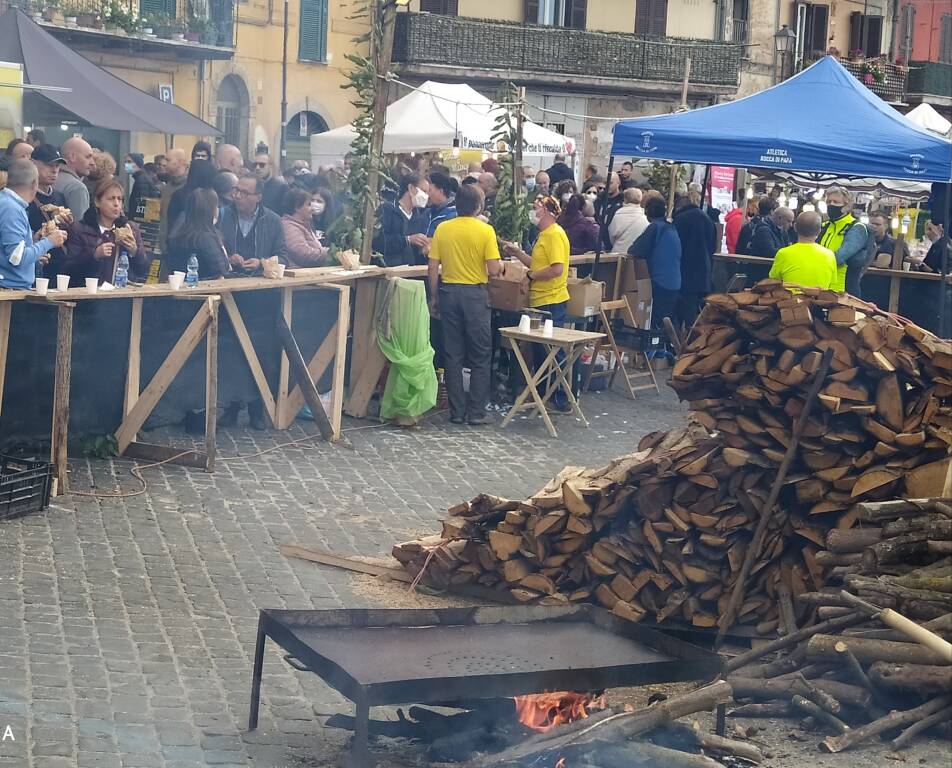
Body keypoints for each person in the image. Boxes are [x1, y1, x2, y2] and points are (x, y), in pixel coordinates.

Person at [427, 184, 502, 425]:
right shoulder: (485, 231)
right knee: (480, 353)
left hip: (448, 291)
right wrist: (501, 267)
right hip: (474, 295)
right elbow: (493, 268)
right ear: (478, 206)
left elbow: (432, 267)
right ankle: (477, 411)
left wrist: (434, 296)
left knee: (453, 353)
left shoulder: (443, 229)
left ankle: (456, 411)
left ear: (456, 205)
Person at [502, 195, 572, 412]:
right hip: (540, 299)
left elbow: (556, 269)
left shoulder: (554, 235)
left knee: (551, 352)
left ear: (548, 212)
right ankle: (544, 395)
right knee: (541, 353)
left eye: (536, 208)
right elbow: (538, 264)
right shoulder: (544, 235)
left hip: (551, 300)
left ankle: (560, 399)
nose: (533, 212)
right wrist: (518, 254)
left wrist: (531, 277)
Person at [0, 160, 67, 289]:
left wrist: (35, 244)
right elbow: (16, 258)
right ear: (34, 184)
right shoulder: (11, 209)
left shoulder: (7, 203)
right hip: (8, 291)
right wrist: (49, 242)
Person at [65, 178, 147, 283]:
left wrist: (135, 252)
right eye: (111, 199)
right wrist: (94, 255)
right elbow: (69, 270)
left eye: (120, 199)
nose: (116, 204)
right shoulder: (79, 229)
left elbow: (142, 271)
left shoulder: (130, 229)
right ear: (97, 202)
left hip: (121, 294)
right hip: (90, 295)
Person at [628, 193, 682, 332]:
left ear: (647, 212)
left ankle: (651, 352)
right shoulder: (672, 228)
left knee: (653, 323)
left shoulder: (655, 228)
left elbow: (636, 250)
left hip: (660, 282)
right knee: (665, 321)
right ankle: (662, 350)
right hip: (675, 283)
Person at [218, 175, 287, 275]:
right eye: (236, 190)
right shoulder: (222, 216)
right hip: (228, 281)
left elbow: (283, 258)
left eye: (244, 193)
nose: (237, 196)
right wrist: (228, 258)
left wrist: (262, 263)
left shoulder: (273, 221)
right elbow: (212, 252)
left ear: (258, 197)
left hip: (260, 284)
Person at [672, 191, 717, 329]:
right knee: (694, 315)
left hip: (684, 273)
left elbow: (675, 246)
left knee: (682, 314)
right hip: (704, 272)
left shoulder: (681, 219)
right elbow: (713, 247)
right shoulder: (707, 219)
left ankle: (682, 343)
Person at [818, 186, 873, 295]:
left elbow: (839, 257)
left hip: (844, 291)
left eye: (836, 202)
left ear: (847, 206)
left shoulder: (857, 227)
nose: (831, 205)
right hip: (820, 287)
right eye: (828, 202)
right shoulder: (824, 226)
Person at [165, 188, 230, 278]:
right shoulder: (206, 238)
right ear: (211, 210)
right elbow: (219, 270)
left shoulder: (177, 234)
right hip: (208, 288)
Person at [28, 144, 70, 277]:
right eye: (48, 165)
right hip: (33, 263)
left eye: (57, 166)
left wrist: (67, 224)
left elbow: (67, 234)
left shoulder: (59, 196)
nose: (54, 170)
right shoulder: (25, 196)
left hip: (58, 265)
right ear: (32, 164)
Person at [372, 173, 429, 267]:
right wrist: (407, 240)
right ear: (410, 188)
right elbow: (378, 241)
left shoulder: (420, 217)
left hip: (412, 274)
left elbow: (417, 254)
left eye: (428, 193)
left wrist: (424, 250)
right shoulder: (387, 210)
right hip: (388, 270)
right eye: (423, 191)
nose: (426, 196)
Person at [769, 212, 837, 290]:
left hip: (790, 301)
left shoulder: (783, 253)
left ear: (795, 227)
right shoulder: (829, 255)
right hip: (819, 301)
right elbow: (832, 284)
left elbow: (774, 280)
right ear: (819, 231)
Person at [166, 159, 217, 241]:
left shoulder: (179, 194)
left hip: (178, 243)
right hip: (197, 242)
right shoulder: (209, 197)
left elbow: (171, 222)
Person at [282, 187, 331, 268]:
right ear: (297, 207)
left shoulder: (304, 224)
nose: (312, 208)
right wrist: (328, 252)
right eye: (308, 204)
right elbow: (303, 254)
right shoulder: (289, 227)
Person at [53, 136, 94, 220]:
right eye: (88, 157)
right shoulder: (77, 188)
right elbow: (80, 228)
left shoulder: (48, 181)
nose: (92, 163)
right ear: (72, 156)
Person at [158, 148, 188, 253]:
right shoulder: (167, 187)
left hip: (180, 247)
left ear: (180, 162)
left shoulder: (189, 187)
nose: (164, 163)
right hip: (165, 246)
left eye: (168, 160)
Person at [608, 188, 650, 256]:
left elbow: (611, 235)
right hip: (637, 255)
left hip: (618, 253)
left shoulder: (618, 215)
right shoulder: (645, 216)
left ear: (625, 199)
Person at [595, 172, 624, 251]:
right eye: (606, 183)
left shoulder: (623, 201)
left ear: (618, 183)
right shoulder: (599, 199)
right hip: (599, 241)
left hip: (614, 241)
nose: (608, 185)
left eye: (610, 183)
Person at [124, 153, 159, 219]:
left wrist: (136, 220)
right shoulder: (142, 177)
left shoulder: (141, 180)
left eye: (129, 162)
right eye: (125, 162)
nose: (126, 165)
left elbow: (142, 203)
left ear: (138, 163)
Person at [425, 171, 457, 238]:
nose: (426, 194)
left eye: (429, 190)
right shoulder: (426, 212)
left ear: (440, 191)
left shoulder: (453, 215)